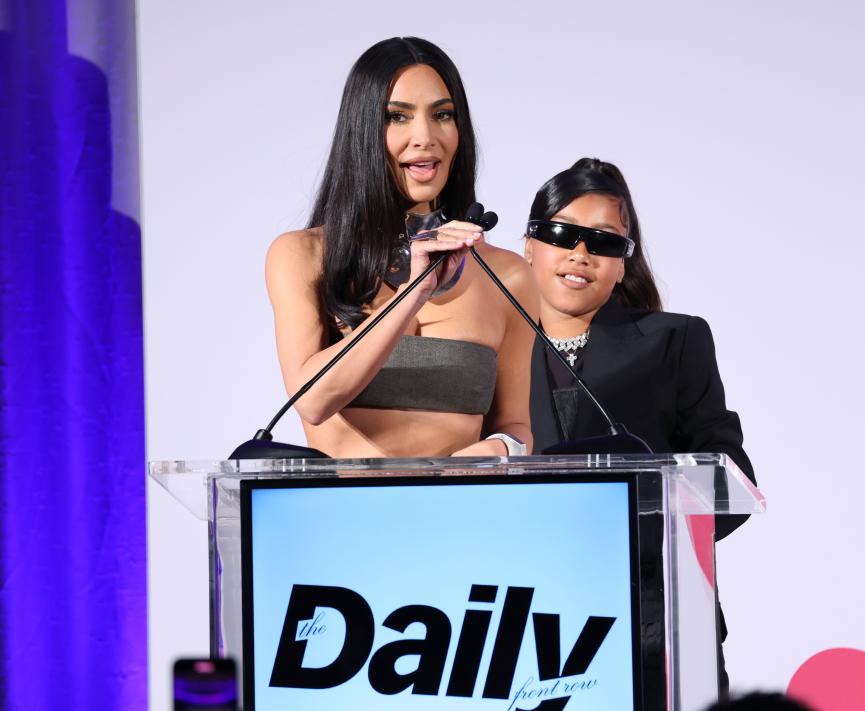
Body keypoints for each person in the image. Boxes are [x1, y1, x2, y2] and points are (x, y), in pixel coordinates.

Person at [523, 157, 757, 693]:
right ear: (529, 245)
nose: (581, 254)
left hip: (657, 621)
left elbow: (730, 471)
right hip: (526, 617)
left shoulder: (675, 341)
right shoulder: (492, 350)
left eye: (604, 242)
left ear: (624, 263)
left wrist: (656, 536)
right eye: (563, 233)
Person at [266, 38, 537, 458]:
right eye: (398, 117)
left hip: (464, 512)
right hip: (343, 515)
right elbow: (313, 400)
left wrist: (496, 451)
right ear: (363, 130)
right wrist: (415, 293)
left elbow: (515, 426)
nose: (425, 137)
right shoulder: (302, 256)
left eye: (442, 115)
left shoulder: (509, 275)